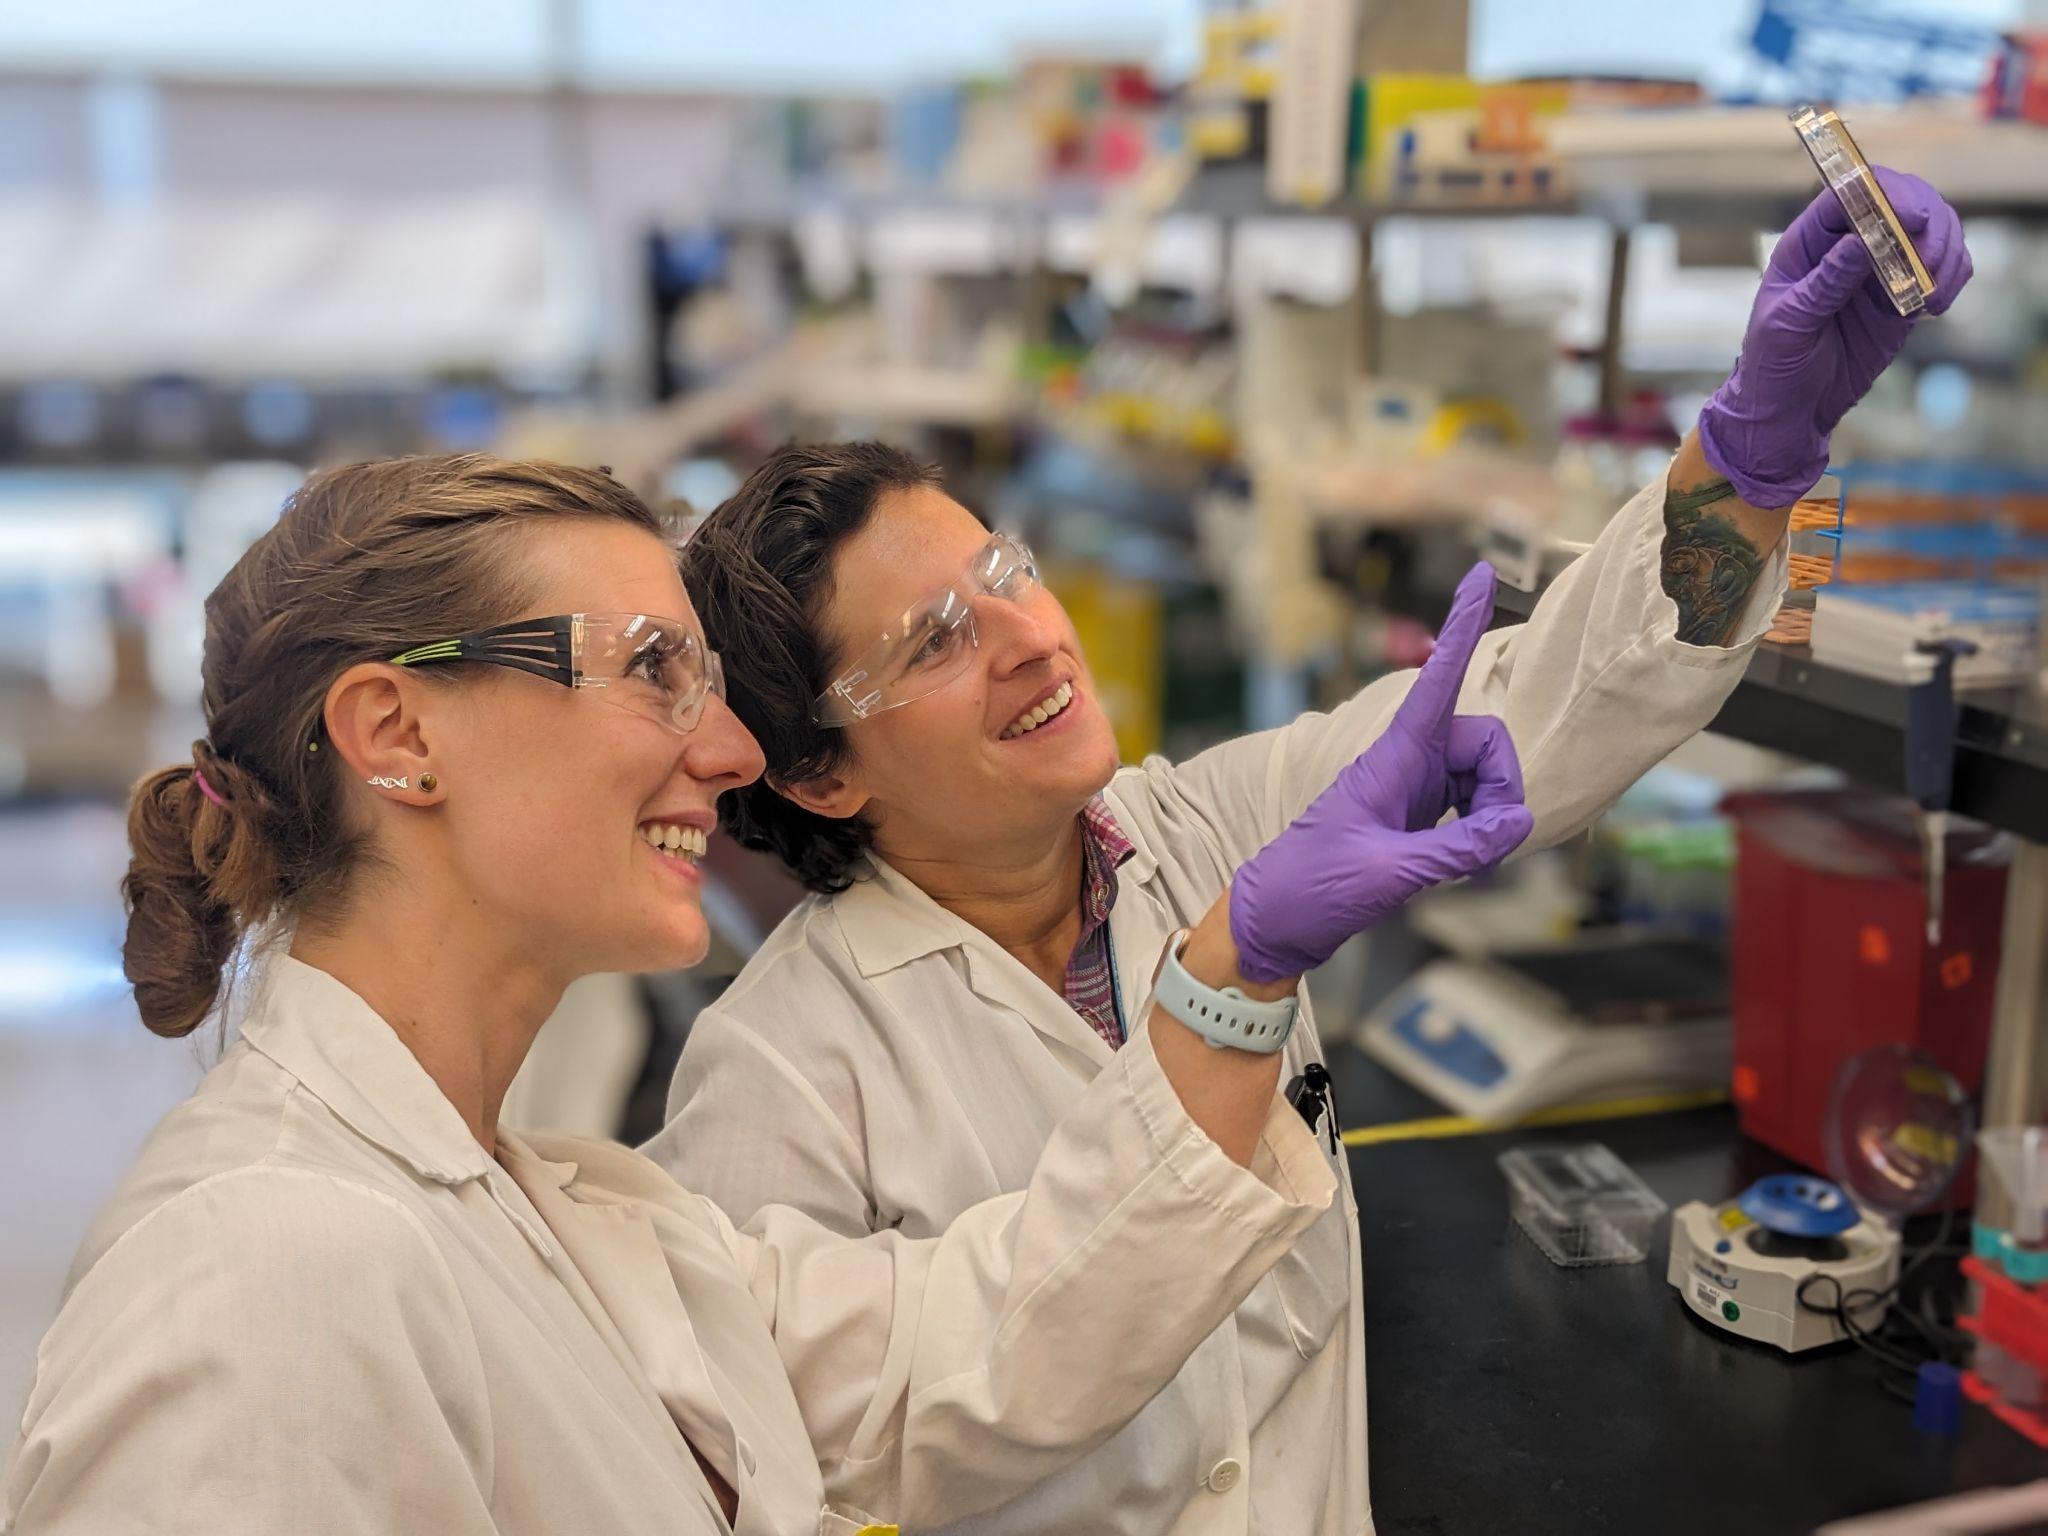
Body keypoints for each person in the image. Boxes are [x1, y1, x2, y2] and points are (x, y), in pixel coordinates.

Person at [649, 170, 1973, 1535]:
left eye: (1005, 574)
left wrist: (1751, 453)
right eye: (935, 640)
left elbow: (1546, 711)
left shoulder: (1208, 831)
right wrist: (1233, 986)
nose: (1031, 637)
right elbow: (830, 1445)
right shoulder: (776, 1072)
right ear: (816, 772)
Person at [2, 454, 1521, 1536]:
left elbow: (992, 1346)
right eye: (654, 669)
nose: (731, 755)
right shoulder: (263, 1261)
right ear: (397, 731)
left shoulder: (582, 1215)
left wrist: (1235, 972)